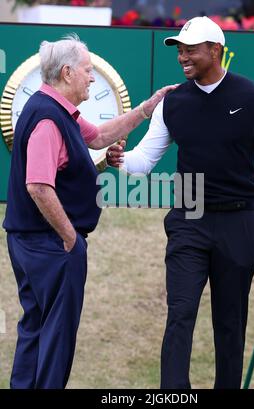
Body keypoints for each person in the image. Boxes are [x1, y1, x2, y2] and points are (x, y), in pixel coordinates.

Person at [106, 16, 254, 389]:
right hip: (188, 220)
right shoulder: (172, 102)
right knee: (180, 314)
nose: (182, 57)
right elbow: (145, 159)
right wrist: (121, 161)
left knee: (229, 324)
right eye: (179, 50)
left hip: (238, 222)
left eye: (190, 49)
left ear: (215, 51)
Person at [3, 34, 176, 389]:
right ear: (67, 73)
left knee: (36, 329)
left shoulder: (52, 107)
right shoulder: (48, 118)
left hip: (38, 243)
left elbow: (98, 136)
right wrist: (69, 237)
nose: (92, 77)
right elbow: (38, 186)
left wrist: (147, 107)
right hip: (50, 245)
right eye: (87, 70)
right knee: (55, 338)